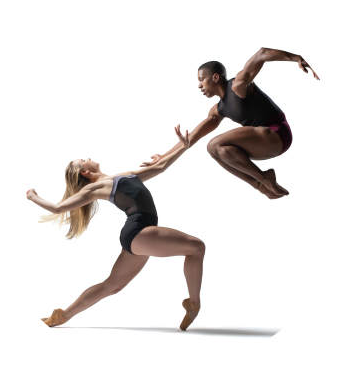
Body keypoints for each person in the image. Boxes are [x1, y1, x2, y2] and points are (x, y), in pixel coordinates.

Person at [27, 125, 204, 331]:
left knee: (112, 286)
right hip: (139, 230)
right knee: (197, 247)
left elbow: (159, 167)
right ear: (85, 171)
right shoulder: (94, 188)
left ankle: (62, 316)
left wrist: (183, 146)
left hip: (139, 233)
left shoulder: (121, 176)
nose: (87, 157)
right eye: (82, 160)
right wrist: (34, 197)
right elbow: (58, 208)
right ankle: (194, 303)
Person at [141, 48, 320, 199]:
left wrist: (296, 57)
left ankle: (265, 178)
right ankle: (262, 186)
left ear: (215, 77)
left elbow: (262, 53)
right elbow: (192, 138)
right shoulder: (218, 110)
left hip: (277, 133)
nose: (199, 86)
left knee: (214, 143)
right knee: (215, 150)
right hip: (266, 145)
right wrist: (163, 157)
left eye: (201, 80)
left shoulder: (238, 85)